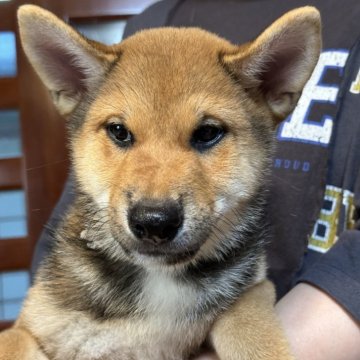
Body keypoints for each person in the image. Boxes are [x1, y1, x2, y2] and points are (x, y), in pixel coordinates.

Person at [31, 1, 360, 359]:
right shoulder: (160, 18)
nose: (155, 199)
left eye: (206, 134)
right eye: (120, 133)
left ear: (272, 85)